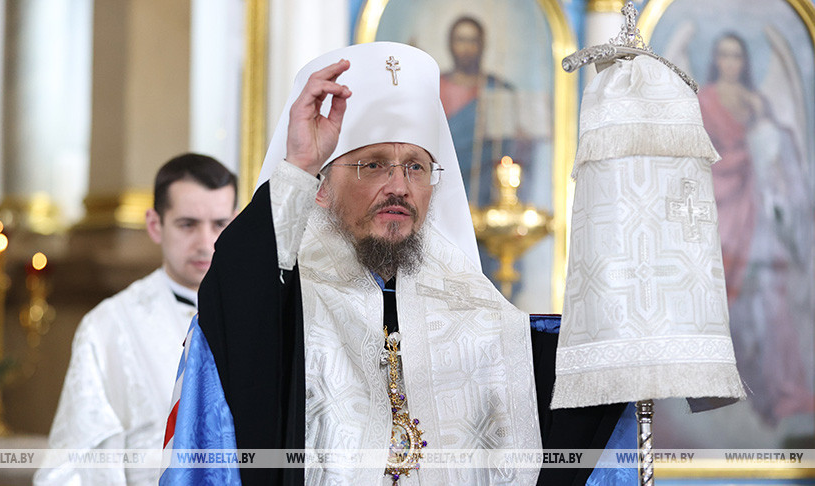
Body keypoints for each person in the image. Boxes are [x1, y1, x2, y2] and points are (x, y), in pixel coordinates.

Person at [161, 42, 622, 486]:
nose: (399, 186)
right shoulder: (287, 299)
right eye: (374, 165)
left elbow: (557, 393)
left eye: (416, 167)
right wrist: (299, 164)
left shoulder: (470, 301)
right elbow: (233, 310)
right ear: (321, 188)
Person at [34, 153, 237, 486]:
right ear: (155, 225)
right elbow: (75, 465)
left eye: (219, 224)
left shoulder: (261, 317)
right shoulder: (108, 326)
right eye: (188, 224)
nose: (206, 243)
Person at [698, 32, 815, 427]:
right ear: (716, 60)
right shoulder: (704, 100)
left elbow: (778, 151)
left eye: (737, 55)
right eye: (723, 55)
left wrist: (763, 137)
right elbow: (699, 157)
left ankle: (778, 390)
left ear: (745, 61)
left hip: (757, 205)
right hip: (723, 203)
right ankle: (722, 391)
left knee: (769, 294)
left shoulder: (756, 102)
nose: (731, 62)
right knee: (725, 299)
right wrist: (742, 154)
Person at [439, 15, 532, 207]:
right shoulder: (435, 87)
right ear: (450, 44)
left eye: (472, 41)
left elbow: (513, 147)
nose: (466, 48)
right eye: (460, 40)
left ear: (482, 45)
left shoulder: (498, 90)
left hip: (484, 194)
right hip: (440, 189)